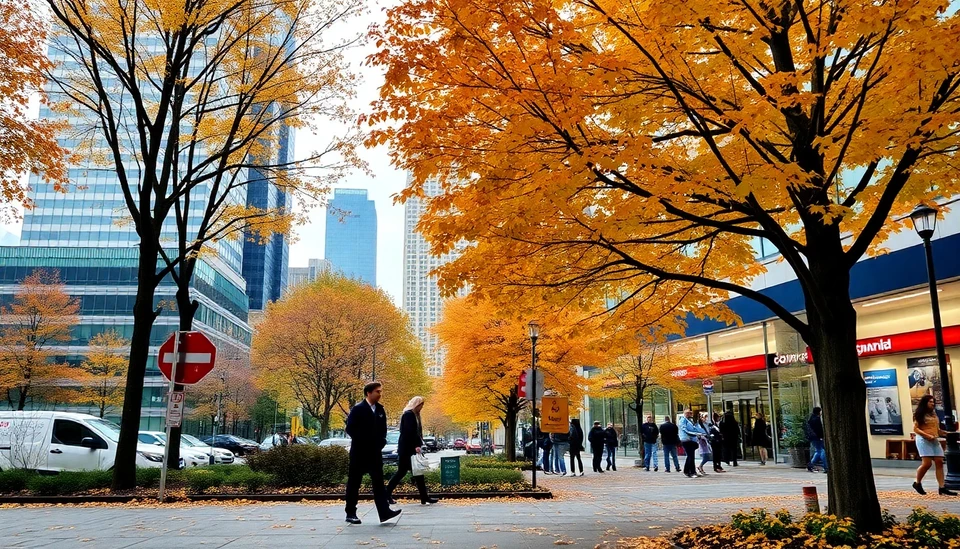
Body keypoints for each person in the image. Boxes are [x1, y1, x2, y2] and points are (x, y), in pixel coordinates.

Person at [344, 382, 402, 524]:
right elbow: (350, 429)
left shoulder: (380, 410)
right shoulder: (358, 409)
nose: (380, 394)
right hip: (359, 452)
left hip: (375, 453)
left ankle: (384, 512)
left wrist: (381, 442)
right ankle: (350, 513)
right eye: (377, 391)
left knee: (378, 483)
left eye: (380, 391)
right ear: (368, 393)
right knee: (354, 483)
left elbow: (383, 430)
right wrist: (363, 440)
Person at [386, 396, 439, 506]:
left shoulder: (412, 414)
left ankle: (424, 497)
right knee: (404, 472)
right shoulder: (409, 415)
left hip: (407, 448)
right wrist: (416, 445)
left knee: (415, 472)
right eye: (421, 405)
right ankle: (386, 494)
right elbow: (409, 432)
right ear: (416, 404)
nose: (422, 407)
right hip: (407, 449)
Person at [912, 395, 957, 496]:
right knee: (927, 464)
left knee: (939, 462)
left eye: (933, 402)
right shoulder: (919, 414)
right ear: (925, 403)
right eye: (930, 402)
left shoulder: (934, 414)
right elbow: (916, 429)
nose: (933, 404)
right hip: (923, 440)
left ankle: (942, 487)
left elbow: (937, 429)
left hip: (934, 439)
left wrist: (946, 433)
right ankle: (917, 483)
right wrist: (927, 435)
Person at [678, 409, 706, 478]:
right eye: (688, 413)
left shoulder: (689, 420)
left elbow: (694, 428)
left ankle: (692, 471)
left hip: (691, 439)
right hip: (686, 440)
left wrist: (702, 432)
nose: (690, 414)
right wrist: (695, 433)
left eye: (690, 413)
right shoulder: (683, 420)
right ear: (685, 413)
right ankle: (688, 471)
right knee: (690, 456)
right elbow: (685, 429)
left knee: (691, 456)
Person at [806, 407, 828, 473]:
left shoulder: (811, 418)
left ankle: (810, 465)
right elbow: (819, 429)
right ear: (819, 412)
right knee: (822, 451)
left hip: (813, 437)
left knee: (818, 451)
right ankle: (826, 467)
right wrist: (821, 436)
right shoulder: (816, 419)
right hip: (817, 437)